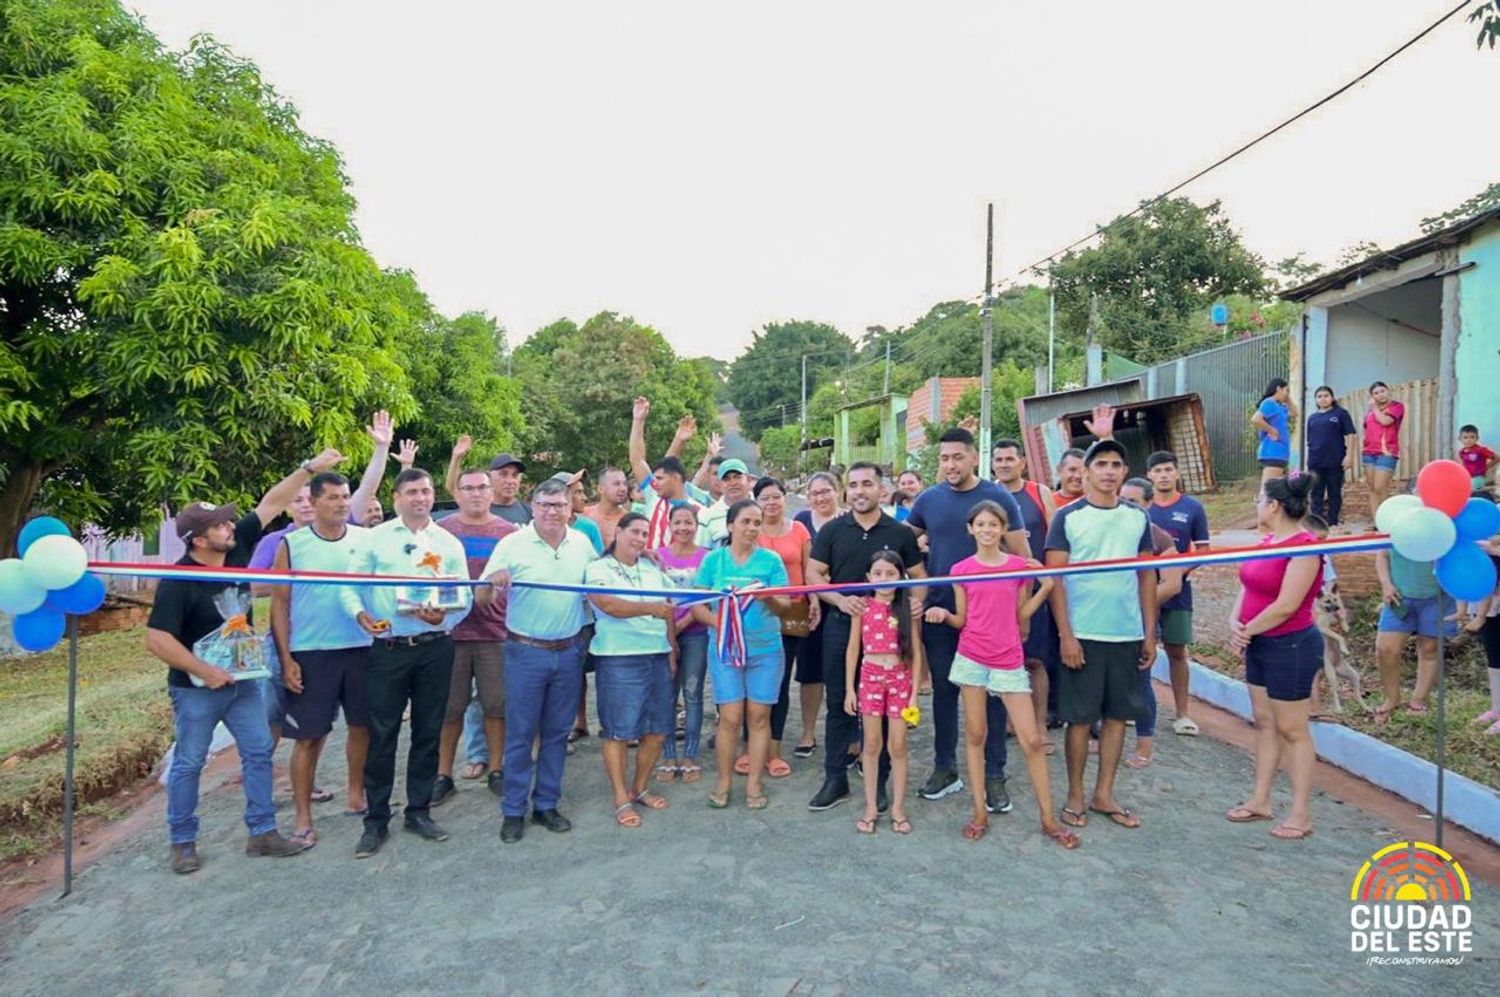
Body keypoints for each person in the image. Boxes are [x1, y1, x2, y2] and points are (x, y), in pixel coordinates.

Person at [145, 446, 343, 873]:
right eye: (219, 524)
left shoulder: (235, 553)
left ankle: (263, 832)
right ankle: (182, 841)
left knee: (257, 752)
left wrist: (309, 468)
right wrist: (204, 671)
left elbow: (271, 502)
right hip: (196, 690)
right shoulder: (178, 580)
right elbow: (157, 639)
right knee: (190, 762)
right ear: (198, 539)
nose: (230, 525)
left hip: (244, 682)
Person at [926, 501, 1076, 847]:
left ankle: (1048, 819)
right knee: (975, 734)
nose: (987, 530)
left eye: (994, 524)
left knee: (1032, 740)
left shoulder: (1018, 566)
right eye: (981, 524)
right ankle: (979, 812)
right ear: (971, 529)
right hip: (971, 657)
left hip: (1008, 658)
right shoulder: (960, 570)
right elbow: (962, 619)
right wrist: (941, 615)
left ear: (1003, 528)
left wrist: (1048, 587)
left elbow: (1021, 613)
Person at [341, 468, 472, 858]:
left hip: (435, 646)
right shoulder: (375, 540)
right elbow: (348, 585)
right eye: (412, 492)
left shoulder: (448, 541)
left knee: (428, 731)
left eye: (427, 491)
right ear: (397, 497)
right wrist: (359, 615)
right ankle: (376, 819)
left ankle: (418, 810)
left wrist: (444, 618)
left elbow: (461, 595)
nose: (421, 498)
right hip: (390, 648)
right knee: (382, 735)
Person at [906, 428, 1028, 812]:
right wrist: (917, 588)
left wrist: (1019, 617)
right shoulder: (928, 499)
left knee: (993, 697)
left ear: (974, 457)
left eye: (958, 457)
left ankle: (994, 775)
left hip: (990, 621)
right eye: (944, 458)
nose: (950, 465)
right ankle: (946, 768)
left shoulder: (997, 496)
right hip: (940, 614)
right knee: (944, 693)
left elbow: (1023, 558)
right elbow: (906, 546)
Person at [1044, 439, 1158, 831]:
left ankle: (1104, 793)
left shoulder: (1137, 518)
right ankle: (1075, 795)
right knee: (1078, 719)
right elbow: (1055, 579)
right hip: (1084, 633)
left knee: (1117, 717)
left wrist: (1149, 631)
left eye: (1116, 464)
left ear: (1125, 472)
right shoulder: (1068, 517)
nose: (1109, 471)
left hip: (1125, 633)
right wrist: (1066, 635)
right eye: (1102, 464)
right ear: (1086, 471)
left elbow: (1146, 577)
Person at [482, 478, 597, 843]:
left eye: (559, 505)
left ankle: (546, 803)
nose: (552, 511)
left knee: (557, 734)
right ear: (533, 507)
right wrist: (492, 583)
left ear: (570, 509)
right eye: (545, 504)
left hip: (568, 650)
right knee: (520, 734)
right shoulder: (511, 544)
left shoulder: (581, 544)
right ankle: (514, 810)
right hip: (525, 651)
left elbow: (601, 582)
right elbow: (481, 598)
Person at [806, 462, 925, 812]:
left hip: (889, 635)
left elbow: (919, 576)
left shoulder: (900, 532)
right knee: (840, 702)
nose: (860, 491)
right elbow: (813, 573)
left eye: (867, 484)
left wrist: (915, 605)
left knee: (890, 709)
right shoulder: (832, 530)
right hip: (843, 626)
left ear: (881, 489)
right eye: (853, 485)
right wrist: (840, 599)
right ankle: (835, 778)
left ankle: (882, 779)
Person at [269, 471, 373, 849]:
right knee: (309, 736)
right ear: (312, 503)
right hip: (311, 651)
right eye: (333, 497)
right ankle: (302, 817)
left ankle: (356, 793)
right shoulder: (292, 545)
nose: (342, 503)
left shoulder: (365, 540)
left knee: (362, 727)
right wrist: (286, 658)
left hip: (362, 646)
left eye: (345, 496)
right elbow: (279, 603)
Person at [1225, 474, 1324, 841]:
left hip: (1290, 645)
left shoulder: (1304, 547)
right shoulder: (1266, 542)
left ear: (1274, 506)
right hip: (1260, 644)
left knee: (1293, 729)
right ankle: (1260, 799)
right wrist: (1236, 621)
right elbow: (1246, 586)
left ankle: (1300, 813)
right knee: (1265, 722)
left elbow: (1286, 606)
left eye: (1259, 498)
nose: (1256, 504)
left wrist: (1247, 629)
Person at [691, 499, 793, 810]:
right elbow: (697, 606)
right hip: (725, 649)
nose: (751, 528)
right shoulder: (713, 561)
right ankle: (723, 780)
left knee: (759, 717)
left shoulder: (772, 561)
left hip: (765, 650)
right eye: (745, 521)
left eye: (756, 522)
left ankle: (754, 783)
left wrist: (766, 598)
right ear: (731, 525)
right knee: (730, 718)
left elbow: (786, 607)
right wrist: (721, 624)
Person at [585, 512, 679, 827]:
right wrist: (650, 608)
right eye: (634, 532)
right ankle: (620, 796)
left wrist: (671, 645)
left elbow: (672, 602)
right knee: (618, 730)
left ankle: (639, 787)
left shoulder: (652, 568)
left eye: (645, 533)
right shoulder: (598, 569)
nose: (639, 538)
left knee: (657, 729)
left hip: (656, 655)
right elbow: (607, 605)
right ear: (619, 532)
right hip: (618, 657)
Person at [432, 469, 517, 804]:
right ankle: (443, 774)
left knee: (496, 705)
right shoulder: (441, 531)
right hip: (450, 631)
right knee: (450, 708)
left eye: (482, 487)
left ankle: (497, 769)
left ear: (492, 492)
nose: (476, 494)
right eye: (468, 488)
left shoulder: (509, 533)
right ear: (458, 493)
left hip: (495, 631)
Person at [844, 551, 922, 835]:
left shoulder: (908, 609)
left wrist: (914, 693)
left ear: (901, 576)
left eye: (891, 573)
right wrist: (849, 690)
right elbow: (853, 648)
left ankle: (898, 808)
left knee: (898, 746)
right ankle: (870, 807)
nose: (884, 579)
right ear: (868, 576)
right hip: (870, 678)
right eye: (878, 573)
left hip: (900, 679)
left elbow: (915, 651)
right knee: (872, 745)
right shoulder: (863, 607)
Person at [746, 476, 816, 778]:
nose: (771, 503)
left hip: (793, 612)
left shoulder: (799, 530)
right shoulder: (750, 529)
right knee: (754, 680)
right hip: (756, 615)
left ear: (784, 498)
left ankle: (773, 746)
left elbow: (809, 568)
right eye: (765, 498)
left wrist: (813, 599)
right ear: (757, 502)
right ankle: (750, 746)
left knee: (782, 681)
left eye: (776, 496)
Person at [992, 438, 1059, 739]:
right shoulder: (987, 494)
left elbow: (1056, 537)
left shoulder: (1039, 492)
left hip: (1033, 589)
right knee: (1003, 660)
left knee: (1035, 659)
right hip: (997, 594)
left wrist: (1049, 580)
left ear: (1022, 462)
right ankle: (1008, 722)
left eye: (1009, 459)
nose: (1004, 464)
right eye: (999, 459)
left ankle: (1040, 722)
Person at [1118, 477, 1185, 770]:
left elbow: (1172, 584)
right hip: (1108, 622)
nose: (1126, 506)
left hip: (1141, 622)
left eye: (1133, 501)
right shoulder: (1110, 532)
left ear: (1148, 503)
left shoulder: (1161, 539)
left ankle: (1144, 745)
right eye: (1122, 500)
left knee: (1140, 684)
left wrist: (1135, 600)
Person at [1143, 451, 1210, 736]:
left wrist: (1176, 575)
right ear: (1149, 476)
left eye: (1168, 470)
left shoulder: (1193, 508)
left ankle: (1182, 713)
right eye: (1157, 471)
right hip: (1142, 590)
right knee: (1140, 649)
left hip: (1178, 592)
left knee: (1176, 650)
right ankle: (1137, 708)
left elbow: (1203, 551)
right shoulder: (1141, 508)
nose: (1163, 475)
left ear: (1177, 473)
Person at [656, 503, 711, 783]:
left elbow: (705, 599)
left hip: (696, 631)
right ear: (669, 524)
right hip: (664, 633)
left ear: (696, 525)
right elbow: (657, 597)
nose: (683, 528)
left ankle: (690, 753)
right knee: (667, 694)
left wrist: (682, 625)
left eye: (688, 522)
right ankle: (667, 754)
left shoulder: (706, 557)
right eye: (677, 523)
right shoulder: (657, 556)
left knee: (692, 692)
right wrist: (670, 632)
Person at [1372, 543, 1455, 722]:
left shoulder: (1445, 523)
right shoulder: (1396, 522)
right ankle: (1392, 698)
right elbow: (1383, 555)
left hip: (1439, 595)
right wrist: (1386, 584)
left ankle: (1418, 700)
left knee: (1430, 648)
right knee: (1386, 649)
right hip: (1399, 595)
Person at [792, 470, 842, 754]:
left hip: (842, 602)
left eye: (826, 491)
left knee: (845, 668)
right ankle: (808, 733)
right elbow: (802, 566)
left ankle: (850, 736)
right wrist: (812, 597)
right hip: (807, 604)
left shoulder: (849, 519)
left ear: (838, 491)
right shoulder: (801, 522)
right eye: (815, 493)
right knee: (809, 670)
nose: (821, 497)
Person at [629, 396, 712, 546]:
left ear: (675, 479)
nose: (654, 482)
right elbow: (637, 460)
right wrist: (638, 420)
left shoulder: (701, 511)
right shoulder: (654, 496)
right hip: (652, 568)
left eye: (660, 478)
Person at [445, 435, 532, 525]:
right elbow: (454, 488)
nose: (510, 481)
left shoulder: (529, 512)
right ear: (489, 477)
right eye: (503, 474)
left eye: (515, 475)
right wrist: (456, 457)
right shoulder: (477, 505)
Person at [1304, 386, 1357, 526]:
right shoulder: (1312, 418)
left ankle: (1333, 522)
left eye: (1326, 395)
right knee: (1316, 493)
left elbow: (1351, 435)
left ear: (1332, 398)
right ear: (1316, 400)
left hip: (1335, 461)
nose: (1323, 398)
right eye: (1319, 396)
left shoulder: (1341, 414)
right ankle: (1317, 523)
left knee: (1334, 492)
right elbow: (1310, 441)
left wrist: (1349, 456)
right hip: (1315, 462)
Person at [1361, 381, 1405, 512]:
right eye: (1376, 393)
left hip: (1387, 452)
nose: (1380, 395)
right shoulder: (1369, 413)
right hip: (1369, 452)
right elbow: (1367, 429)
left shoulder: (1396, 407)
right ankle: (1377, 522)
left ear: (1388, 391)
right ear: (1372, 396)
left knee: (1380, 487)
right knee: (1372, 488)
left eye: (1382, 391)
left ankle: (1386, 519)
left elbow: (1385, 421)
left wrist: (1374, 408)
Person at [1251, 378, 1295, 481]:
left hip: (1279, 452)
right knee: (1269, 491)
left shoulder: (1277, 406)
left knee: (1273, 491)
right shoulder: (1269, 403)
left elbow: (1294, 413)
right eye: (1286, 390)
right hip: (1273, 451)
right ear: (1279, 389)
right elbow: (1255, 419)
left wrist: (1288, 400)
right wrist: (1272, 430)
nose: (1286, 394)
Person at [702, 459, 754, 544]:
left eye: (737, 477)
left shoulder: (764, 508)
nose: (733, 483)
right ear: (720, 484)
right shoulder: (707, 517)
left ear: (749, 479)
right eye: (726, 479)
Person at [585, 466, 632, 549]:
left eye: (625, 484)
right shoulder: (584, 515)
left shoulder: (629, 521)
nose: (623, 489)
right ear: (600, 489)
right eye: (616, 484)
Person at [1458, 424, 1498, 490]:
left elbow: (1497, 457)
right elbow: (1465, 464)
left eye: (1472, 437)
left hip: (1478, 477)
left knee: (1474, 493)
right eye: (1465, 437)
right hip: (1467, 477)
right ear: (1460, 439)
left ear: (1477, 438)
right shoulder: (1462, 452)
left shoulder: (1481, 450)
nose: (1468, 440)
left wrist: (1486, 467)